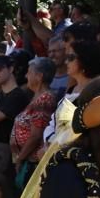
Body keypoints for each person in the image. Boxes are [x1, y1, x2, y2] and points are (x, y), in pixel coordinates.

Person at [11, 57, 58, 190]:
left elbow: (36, 135)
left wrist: (20, 158)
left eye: (29, 72)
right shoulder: (36, 97)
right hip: (28, 160)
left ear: (39, 76)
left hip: (33, 163)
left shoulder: (45, 99)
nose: (26, 75)